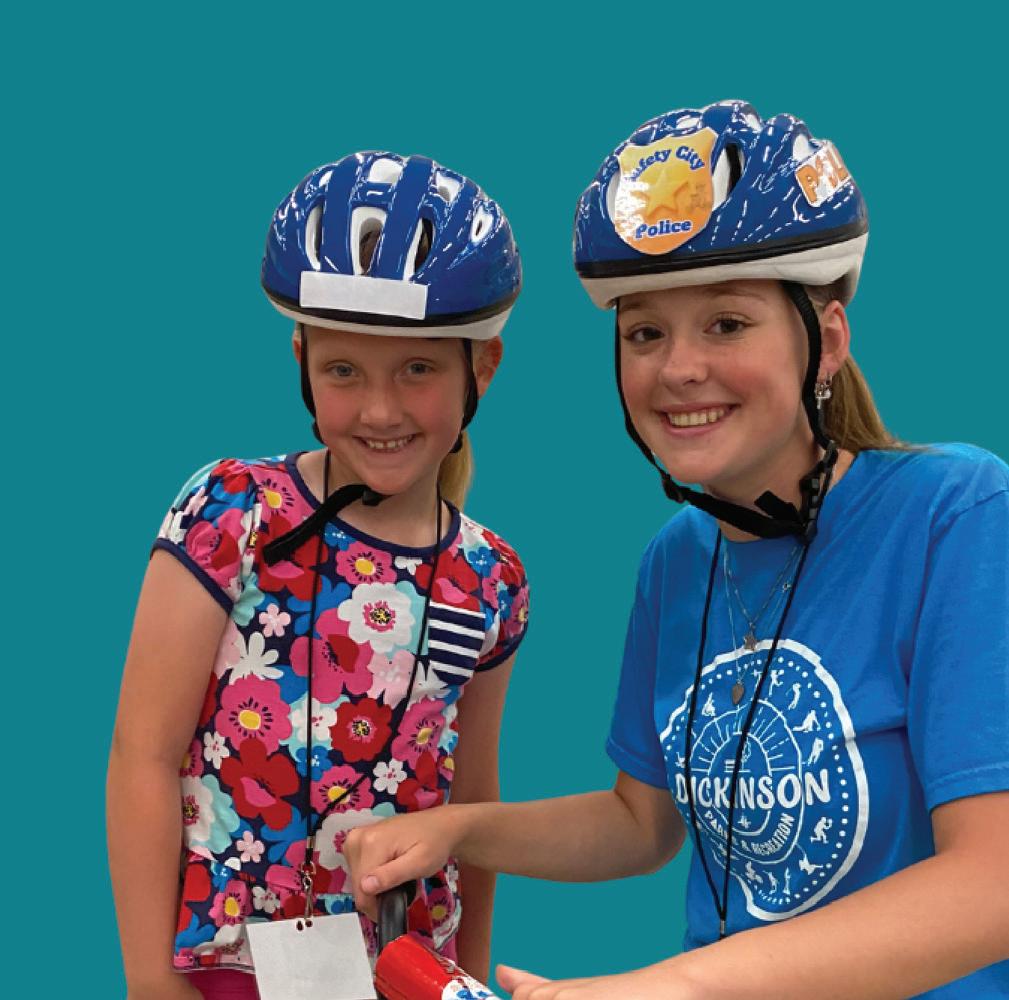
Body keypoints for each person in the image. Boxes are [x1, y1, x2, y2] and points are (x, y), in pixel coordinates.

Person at [343, 102, 1009, 998]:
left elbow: (991, 885)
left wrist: (671, 987)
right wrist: (458, 831)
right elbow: (640, 823)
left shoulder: (955, 513)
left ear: (825, 342)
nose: (678, 368)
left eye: (726, 323)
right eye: (644, 332)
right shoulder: (677, 559)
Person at [107, 151, 530, 1000]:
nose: (379, 409)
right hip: (226, 964)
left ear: (480, 369)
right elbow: (141, 755)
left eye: (417, 369)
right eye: (344, 371)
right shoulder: (232, 511)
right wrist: (150, 983)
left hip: (405, 971)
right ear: (302, 360)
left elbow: (472, 803)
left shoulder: (489, 577)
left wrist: (469, 972)